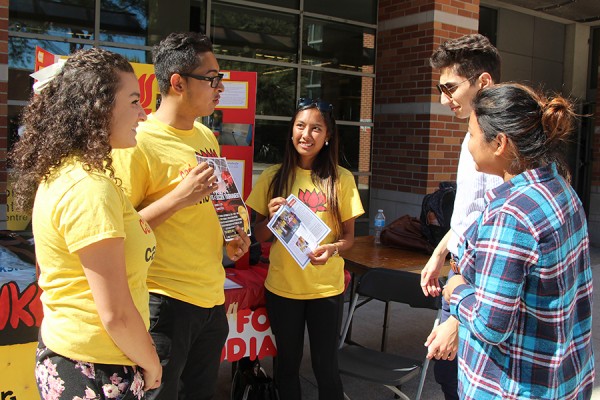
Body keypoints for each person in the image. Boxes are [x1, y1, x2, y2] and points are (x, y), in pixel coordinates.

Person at [9, 48, 161, 398]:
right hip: (97, 370)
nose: (143, 113)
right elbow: (116, 314)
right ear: (99, 106)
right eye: (135, 101)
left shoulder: (74, 174)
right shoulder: (89, 188)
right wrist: (151, 362)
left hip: (79, 360)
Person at [111, 32, 251, 400]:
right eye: (212, 78)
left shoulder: (206, 135)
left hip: (211, 298)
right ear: (177, 82)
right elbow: (119, 231)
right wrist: (177, 198)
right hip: (164, 303)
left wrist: (232, 235)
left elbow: (217, 203)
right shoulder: (136, 142)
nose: (220, 87)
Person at [443, 83, 595, 399]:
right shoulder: (561, 190)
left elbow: (491, 324)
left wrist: (456, 290)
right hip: (562, 378)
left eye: (471, 135)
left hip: (511, 388)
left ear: (499, 143)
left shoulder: (511, 213)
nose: (469, 145)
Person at [246, 98, 364, 400]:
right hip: (283, 289)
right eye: (300, 126)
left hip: (326, 289)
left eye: (316, 128)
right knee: (286, 365)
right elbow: (255, 236)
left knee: (326, 366)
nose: (306, 134)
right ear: (291, 131)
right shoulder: (273, 177)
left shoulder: (342, 179)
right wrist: (270, 219)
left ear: (328, 136)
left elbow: (349, 238)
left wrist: (333, 249)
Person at [419, 33, 503, 400]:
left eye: (449, 87)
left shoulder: (499, 148)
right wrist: (440, 252)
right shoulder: (474, 138)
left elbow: (498, 243)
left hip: (480, 294)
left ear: (483, 82)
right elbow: (469, 216)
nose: (443, 99)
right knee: (448, 377)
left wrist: (456, 318)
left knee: (460, 381)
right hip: (462, 281)